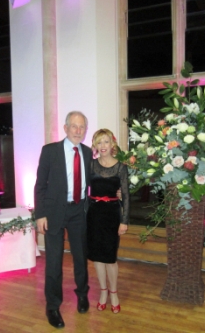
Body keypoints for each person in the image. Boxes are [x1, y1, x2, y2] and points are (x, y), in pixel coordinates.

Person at [34, 111, 92, 329]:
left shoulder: (87, 153)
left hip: (79, 211)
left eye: (82, 127)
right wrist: (40, 214)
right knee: (54, 262)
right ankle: (53, 306)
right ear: (65, 128)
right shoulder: (50, 151)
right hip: (54, 212)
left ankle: (83, 294)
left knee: (80, 257)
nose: (78, 131)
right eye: (74, 126)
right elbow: (39, 185)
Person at [87, 129, 129, 314]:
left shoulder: (121, 167)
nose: (103, 146)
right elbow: (82, 190)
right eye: (99, 142)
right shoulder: (90, 165)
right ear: (95, 145)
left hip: (112, 215)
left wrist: (124, 221)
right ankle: (103, 292)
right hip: (94, 214)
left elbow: (126, 196)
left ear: (112, 144)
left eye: (106, 142)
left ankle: (114, 293)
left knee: (110, 257)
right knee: (97, 256)